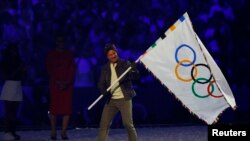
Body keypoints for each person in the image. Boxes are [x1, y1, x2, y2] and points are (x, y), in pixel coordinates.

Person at [97, 43, 139, 141]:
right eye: (110, 54)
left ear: (117, 52)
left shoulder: (125, 64)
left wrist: (134, 70)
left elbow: (135, 77)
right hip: (111, 100)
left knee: (128, 124)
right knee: (104, 124)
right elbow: (101, 83)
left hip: (124, 98)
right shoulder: (105, 68)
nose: (113, 55)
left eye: (114, 53)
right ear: (107, 57)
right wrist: (104, 92)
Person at [46, 35, 76, 140]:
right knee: (53, 109)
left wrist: (66, 82)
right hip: (55, 85)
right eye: (58, 41)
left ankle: (63, 132)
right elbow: (49, 70)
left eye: (62, 41)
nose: (60, 43)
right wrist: (58, 82)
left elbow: (72, 70)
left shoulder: (69, 54)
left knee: (66, 109)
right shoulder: (51, 54)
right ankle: (53, 131)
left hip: (67, 86)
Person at [0, 43, 26, 140]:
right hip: (9, 85)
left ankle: (13, 132)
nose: (15, 51)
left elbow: (23, 76)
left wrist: (24, 71)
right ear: (9, 50)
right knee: (9, 112)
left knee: (14, 112)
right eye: (13, 49)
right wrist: (19, 69)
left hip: (17, 85)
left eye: (15, 49)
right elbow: (7, 77)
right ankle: (7, 132)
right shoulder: (4, 62)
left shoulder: (19, 60)